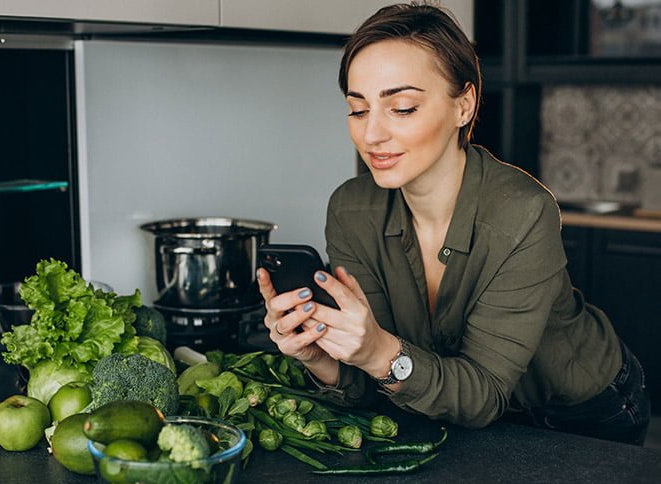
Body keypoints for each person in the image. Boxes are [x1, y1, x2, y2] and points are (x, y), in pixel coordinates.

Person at [256, 2, 651, 445]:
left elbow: (478, 392)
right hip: (458, 411)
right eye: (358, 109)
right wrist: (320, 358)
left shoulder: (522, 212)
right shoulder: (352, 210)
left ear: (464, 105)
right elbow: (378, 378)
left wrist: (379, 352)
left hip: (581, 410)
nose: (371, 134)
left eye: (402, 108)